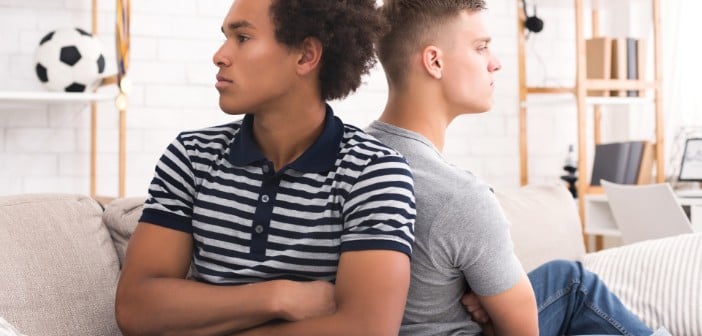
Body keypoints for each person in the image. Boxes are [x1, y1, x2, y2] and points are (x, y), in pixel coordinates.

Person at [115, 0, 416, 335]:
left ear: (305, 56)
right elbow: (135, 309)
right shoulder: (191, 157)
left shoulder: (374, 173)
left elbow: (365, 330)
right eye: (226, 37)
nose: (220, 55)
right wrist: (278, 296)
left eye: (242, 38)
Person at [367, 0, 665, 335]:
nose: (496, 64)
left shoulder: (352, 159)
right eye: (481, 48)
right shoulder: (459, 196)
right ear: (434, 61)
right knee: (573, 282)